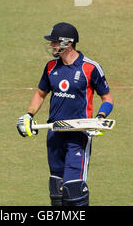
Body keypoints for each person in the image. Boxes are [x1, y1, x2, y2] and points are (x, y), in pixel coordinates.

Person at [17, 22, 114, 206]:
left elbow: (107, 99)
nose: (52, 45)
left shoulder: (90, 68)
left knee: (74, 192)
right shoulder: (50, 67)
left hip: (78, 136)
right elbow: (40, 93)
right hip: (54, 134)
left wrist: (99, 118)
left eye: (55, 42)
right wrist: (29, 115)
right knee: (57, 191)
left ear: (68, 43)